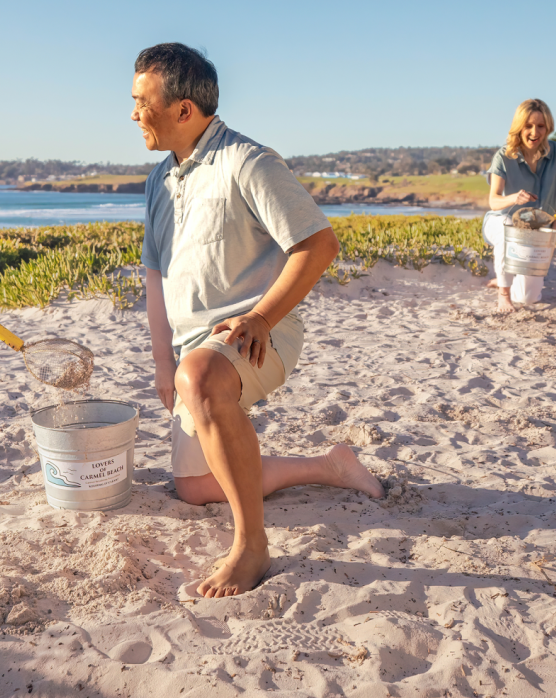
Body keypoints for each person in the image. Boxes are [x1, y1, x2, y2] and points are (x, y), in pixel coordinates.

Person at [133, 42, 384, 599]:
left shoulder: (247, 161)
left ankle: (251, 546)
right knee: (195, 486)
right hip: (194, 348)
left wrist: (262, 316)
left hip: (259, 335)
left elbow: (318, 245)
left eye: (141, 101)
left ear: (182, 109)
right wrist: (160, 363)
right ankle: (330, 466)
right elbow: (156, 277)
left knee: (201, 378)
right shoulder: (158, 180)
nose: (133, 114)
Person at [483, 99, 556, 312]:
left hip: (537, 231)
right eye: (528, 125)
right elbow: (493, 201)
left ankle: (504, 279)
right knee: (507, 224)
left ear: (548, 127)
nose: (535, 132)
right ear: (519, 127)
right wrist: (513, 198)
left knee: (528, 298)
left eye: (541, 126)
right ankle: (503, 294)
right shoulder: (503, 156)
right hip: (500, 221)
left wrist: (555, 226)